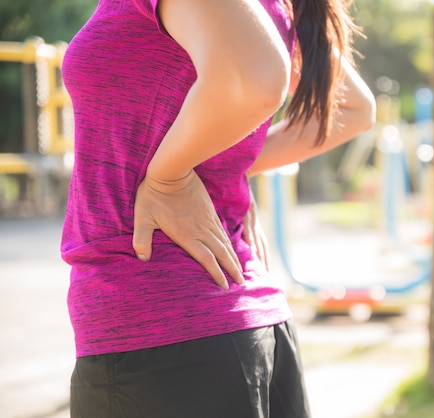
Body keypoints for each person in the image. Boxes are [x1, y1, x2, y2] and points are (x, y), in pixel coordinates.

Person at [60, 0, 376, 417]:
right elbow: (353, 110)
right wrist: (219, 162)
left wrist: (168, 176)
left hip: (161, 332)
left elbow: (258, 77)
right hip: (245, 329)